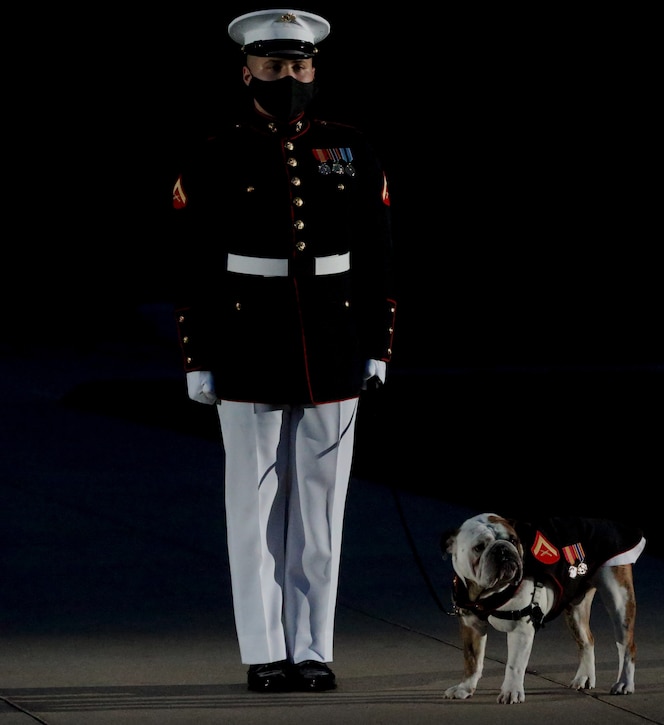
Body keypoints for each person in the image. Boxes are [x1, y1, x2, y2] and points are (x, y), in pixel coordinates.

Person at [170, 8, 396, 693]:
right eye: (274, 66)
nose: (289, 77)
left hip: (333, 338)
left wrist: (377, 344)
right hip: (247, 337)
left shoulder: (349, 147)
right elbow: (193, 261)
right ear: (247, 73)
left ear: (314, 69)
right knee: (254, 504)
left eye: (299, 65)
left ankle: (314, 649)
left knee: (322, 512)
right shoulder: (216, 151)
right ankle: (266, 649)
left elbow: (377, 251)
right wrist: (197, 354)